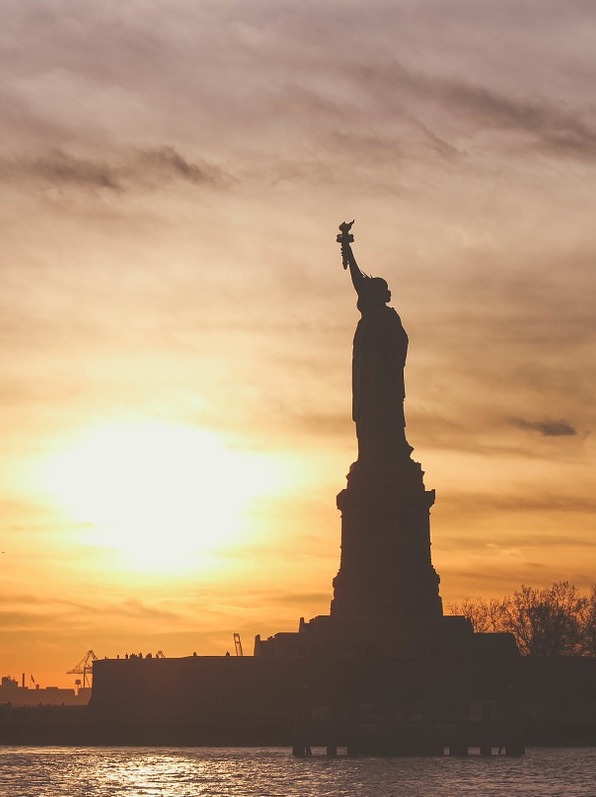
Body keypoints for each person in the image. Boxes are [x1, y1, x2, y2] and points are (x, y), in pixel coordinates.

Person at [337, 222, 412, 463]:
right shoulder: (368, 318)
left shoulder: (388, 316)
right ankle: (370, 455)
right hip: (366, 376)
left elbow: (399, 344)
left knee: (384, 412)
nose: (365, 293)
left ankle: (391, 452)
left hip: (384, 378)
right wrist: (347, 248)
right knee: (368, 414)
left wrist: (385, 348)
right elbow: (358, 279)